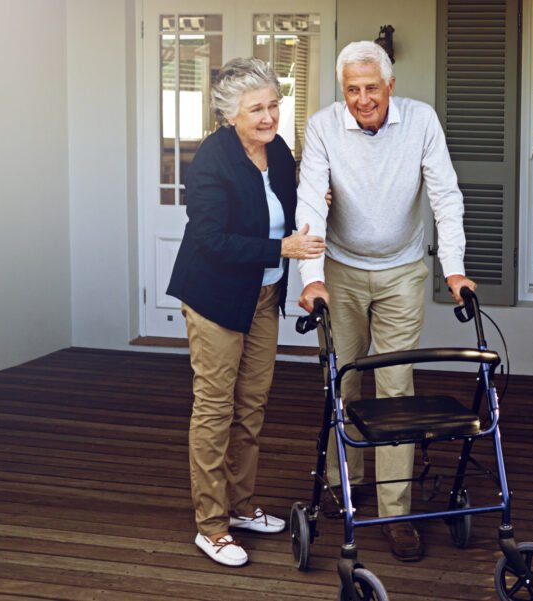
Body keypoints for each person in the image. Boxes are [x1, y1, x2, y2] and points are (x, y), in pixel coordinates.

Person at [295, 41, 476, 562]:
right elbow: (311, 198)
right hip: (340, 271)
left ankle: (397, 514)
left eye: (371, 87)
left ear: (390, 86)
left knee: (396, 390)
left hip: (401, 270)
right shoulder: (325, 126)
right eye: (352, 89)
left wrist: (454, 268)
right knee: (343, 380)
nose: (362, 98)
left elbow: (445, 196)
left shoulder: (421, 122)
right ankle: (342, 488)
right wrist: (311, 277)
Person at [166, 57, 325, 567]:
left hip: (263, 295)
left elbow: (287, 203)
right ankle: (211, 526)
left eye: (274, 104)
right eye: (256, 108)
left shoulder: (277, 150)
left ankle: (242, 506)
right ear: (228, 115)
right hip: (215, 296)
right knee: (214, 409)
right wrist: (282, 249)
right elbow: (212, 240)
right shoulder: (211, 160)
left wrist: (314, 200)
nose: (269, 116)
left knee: (251, 406)